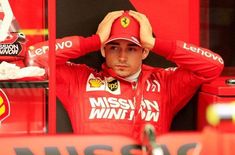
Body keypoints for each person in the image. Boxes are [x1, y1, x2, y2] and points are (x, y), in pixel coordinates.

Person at [28, 10, 224, 141]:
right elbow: (34, 57)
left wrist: (154, 43)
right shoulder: (79, 79)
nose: (122, 57)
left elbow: (214, 65)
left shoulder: (165, 82)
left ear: (144, 52)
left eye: (132, 48)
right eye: (114, 47)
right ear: (103, 50)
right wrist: (93, 41)